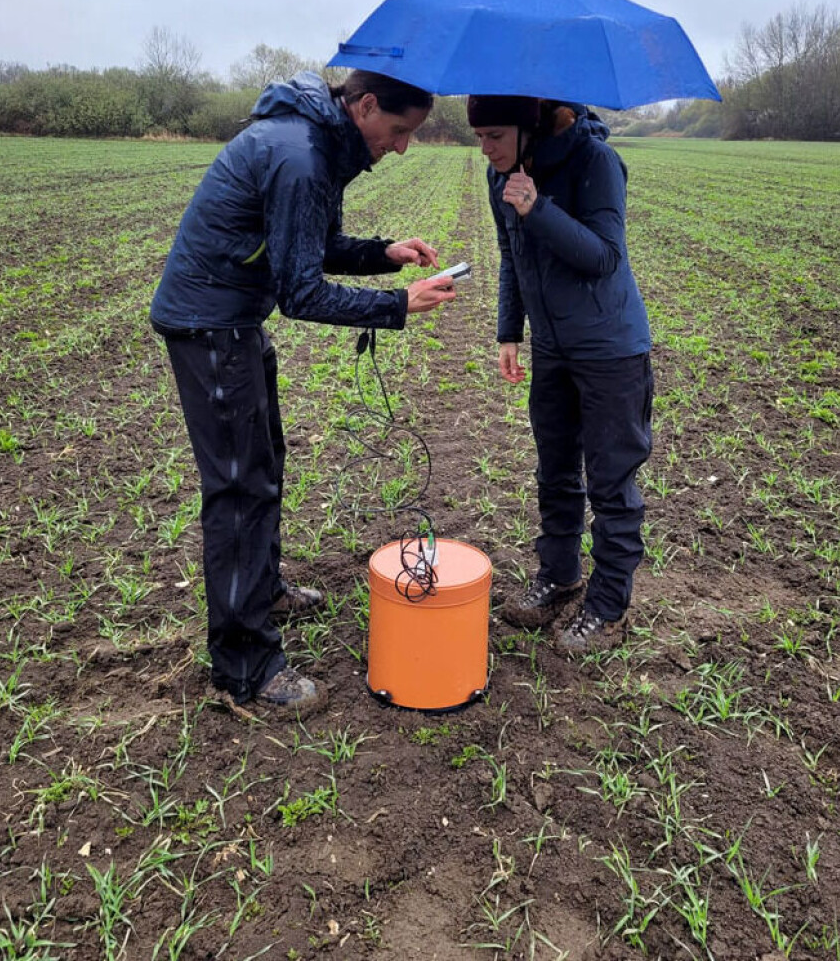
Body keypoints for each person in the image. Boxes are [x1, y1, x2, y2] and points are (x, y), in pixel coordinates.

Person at [151, 70, 455, 713]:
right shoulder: (300, 154)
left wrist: (383, 253)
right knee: (239, 487)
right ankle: (245, 667)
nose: (402, 147)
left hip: (233, 319)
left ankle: (262, 594)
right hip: (210, 324)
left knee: (264, 463)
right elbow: (301, 292)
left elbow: (306, 248)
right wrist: (399, 306)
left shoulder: (317, 141)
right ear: (366, 106)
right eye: (399, 131)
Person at [468, 94, 653, 653]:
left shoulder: (596, 162)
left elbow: (603, 257)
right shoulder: (501, 173)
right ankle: (559, 574)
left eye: (495, 135)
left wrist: (537, 208)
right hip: (552, 347)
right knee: (554, 470)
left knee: (610, 481)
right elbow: (510, 256)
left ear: (529, 128)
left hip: (608, 350)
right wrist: (509, 332)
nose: (486, 147)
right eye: (479, 137)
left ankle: (608, 603)